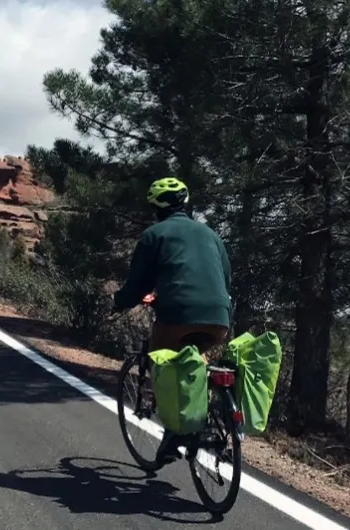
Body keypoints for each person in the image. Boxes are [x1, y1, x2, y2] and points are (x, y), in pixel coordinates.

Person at [112, 176, 232, 464]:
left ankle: (173, 434)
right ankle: (208, 420)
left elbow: (138, 283)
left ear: (155, 208)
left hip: (179, 314)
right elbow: (226, 277)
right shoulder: (211, 235)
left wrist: (119, 302)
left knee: (161, 362)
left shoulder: (154, 234)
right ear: (186, 203)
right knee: (196, 360)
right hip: (218, 318)